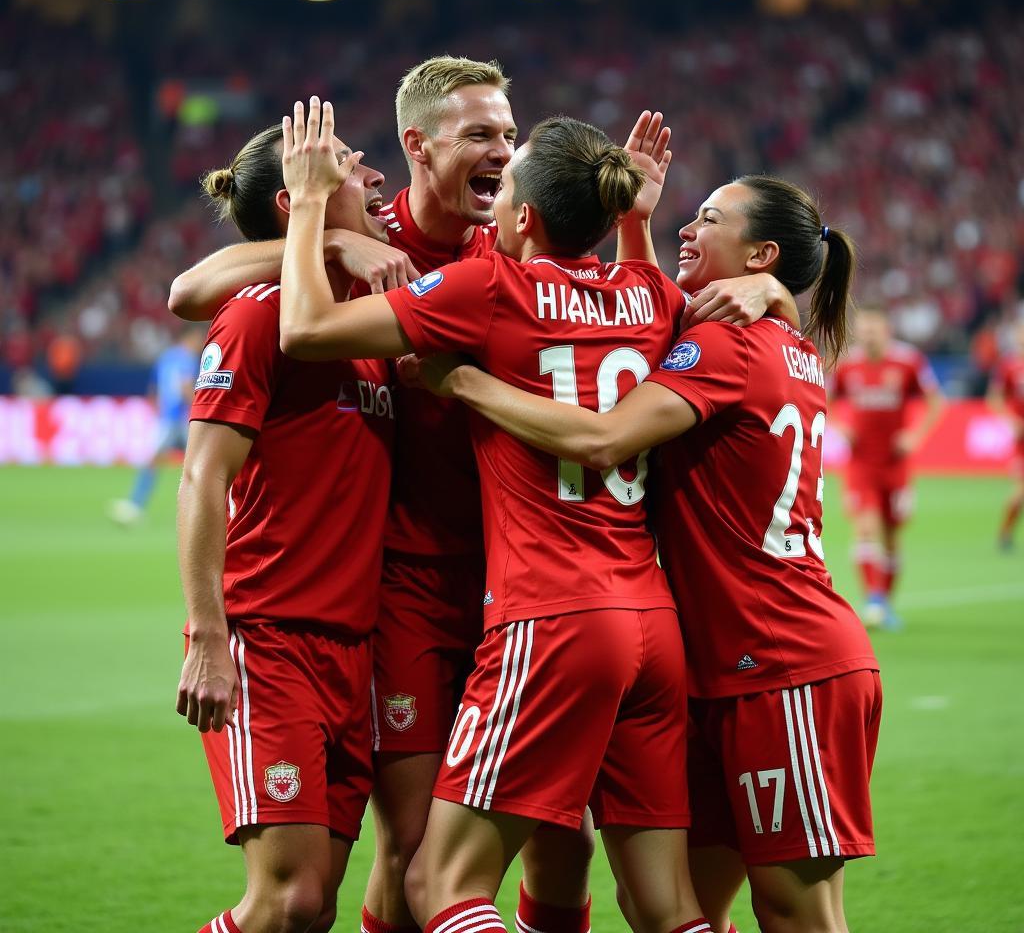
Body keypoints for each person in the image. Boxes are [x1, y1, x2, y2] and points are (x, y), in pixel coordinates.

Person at [168, 60, 788, 933]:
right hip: (416, 598)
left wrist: (770, 287)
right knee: (418, 849)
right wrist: (329, 238)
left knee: (559, 842)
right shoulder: (376, 257)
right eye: (481, 136)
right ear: (418, 147)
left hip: (527, 591)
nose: (501, 150)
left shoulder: (494, 261)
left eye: (509, 135)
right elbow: (193, 291)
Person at [278, 95, 716, 933]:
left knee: (439, 884)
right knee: (666, 905)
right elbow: (658, 295)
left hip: (549, 613)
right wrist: (662, 238)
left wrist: (306, 208)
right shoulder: (655, 298)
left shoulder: (491, 283)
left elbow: (304, 329)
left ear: (522, 211)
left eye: (509, 155)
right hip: (651, 622)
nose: (498, 161)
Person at [419, 175, 881, 933]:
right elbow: (648, 325)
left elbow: (603, 437)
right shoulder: (779, 338)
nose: (687, 230)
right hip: (717, 664)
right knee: (665, 907)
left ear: (762, 254)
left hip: (784, 663)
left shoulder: (725, 342)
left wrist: (466, 381)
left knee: (797, 913)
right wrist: (759, 286)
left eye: (708, 219)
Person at [175, 120, 396, 933]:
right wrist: (207, 635)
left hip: (356, 647)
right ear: (295, 199)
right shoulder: (258, 314)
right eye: (346, 164)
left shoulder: (369, 312)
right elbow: (203, 475)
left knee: (315, 907)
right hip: (267, 636)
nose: (374, 174)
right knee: (289, 901)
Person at [831, 305, 945, 629]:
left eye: (873, 328)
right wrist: (842, 427)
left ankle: (885, 601)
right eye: (863, 328)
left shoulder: (908, 362)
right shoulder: (847, 364)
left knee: (893, 537)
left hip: (896, 465)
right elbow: (826, 401)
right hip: (861, 463)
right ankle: (874, 600)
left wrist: (915, 435)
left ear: (886, 330)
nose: (867, 334)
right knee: (866, 528)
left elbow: (936, 403)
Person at [109, 326, 204, 525]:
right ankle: (136, 504)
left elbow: (154, 388)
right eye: (198, 339)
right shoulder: (186, 359)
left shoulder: (167, 357)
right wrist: (199, 408)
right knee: (199, 462)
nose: (200, 344)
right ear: (191, 337)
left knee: (164, 462)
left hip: (167, 418)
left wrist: (158, 409)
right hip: (178, 420)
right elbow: (185, 386)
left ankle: (136, 503)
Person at [987, 316, 1024, 550]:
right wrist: (1011, 421)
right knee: (1020, 492)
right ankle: (1005, 532)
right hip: (1022, 441)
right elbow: (994, 398)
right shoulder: (1010, 366)